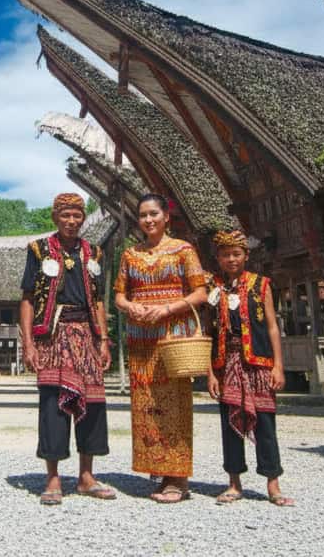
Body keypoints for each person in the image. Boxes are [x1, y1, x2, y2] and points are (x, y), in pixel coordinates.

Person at [19, 192, 115, 505]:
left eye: (76, 215)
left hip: (87, 335)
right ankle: (53, 478)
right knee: (53, 405)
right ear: (55, 218)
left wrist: (104, 340)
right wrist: (28, 343)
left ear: (83, 218)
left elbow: (98, 300)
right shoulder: (39, 250)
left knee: (93, 404)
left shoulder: (94, 253)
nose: (71, 221)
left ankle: (87, 477)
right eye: (65, 215)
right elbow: (27, 298)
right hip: (52, 335)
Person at [113, 193, 208, 503]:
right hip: (140, 337)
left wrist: (167, 308)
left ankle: (178, 478)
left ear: (166, 216)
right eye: (143, 215)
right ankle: (159, 470)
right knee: (147, 405)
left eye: (154, 213)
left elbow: (200, 293)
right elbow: (119, 295)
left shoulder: (183, 250)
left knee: (175, 404)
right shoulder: (130, 255)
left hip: (172, 336)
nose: (148, 220)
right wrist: (130, 307)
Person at [205, 229, 294, 507]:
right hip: (226, 363)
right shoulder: (213, 287)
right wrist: (210, 372)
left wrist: (278, 366)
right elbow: (207, 332)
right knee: (229, 425)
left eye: (236, 254)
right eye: (225, 255)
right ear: (218, 258)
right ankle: (234, 483)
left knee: (265, 422)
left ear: (245, 255)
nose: (231, 259)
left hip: (258, 364)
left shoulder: (262, 285)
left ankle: (273, 483)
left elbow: (272, 326)